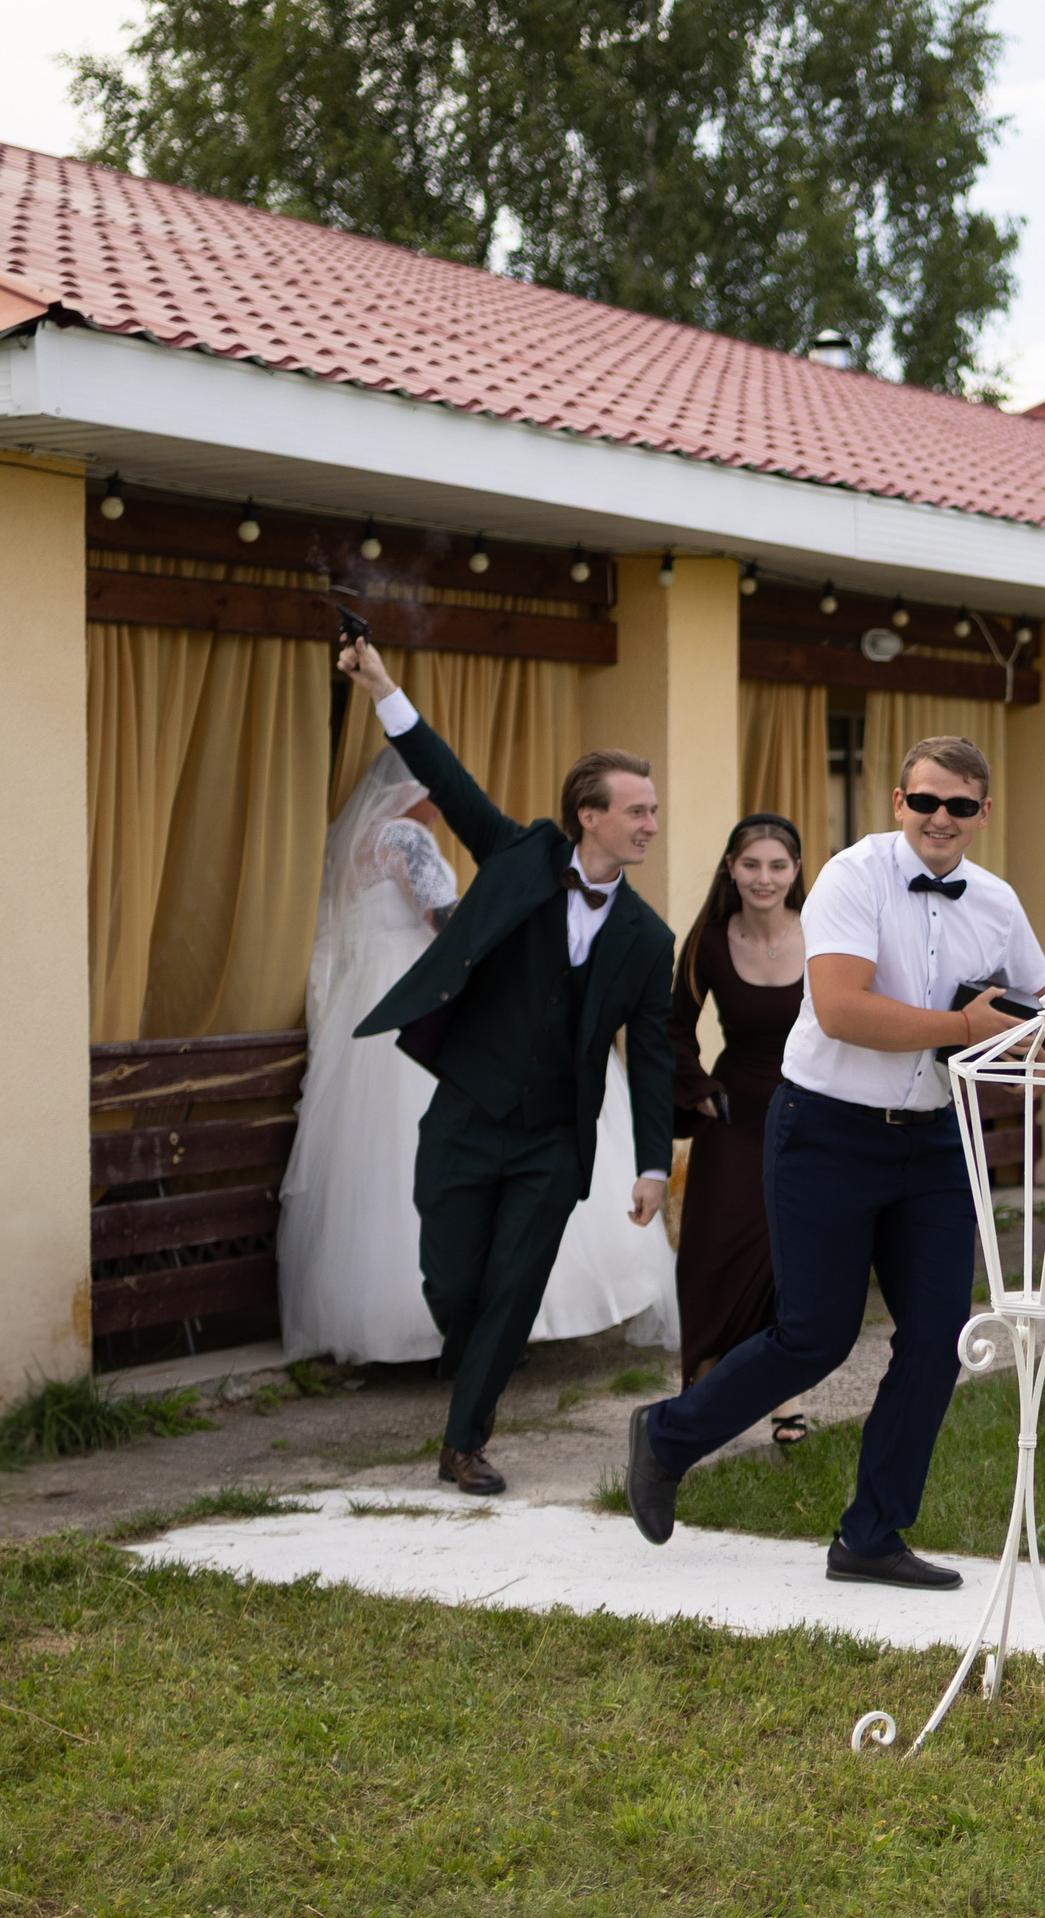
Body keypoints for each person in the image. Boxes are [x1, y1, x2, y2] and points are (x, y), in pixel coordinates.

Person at [625, 737, 1045, 1587]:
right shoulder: (855, 876)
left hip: (931, 1140)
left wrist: (1033, 1040)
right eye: (925, 801)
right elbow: (844, 1008)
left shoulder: (996, 901)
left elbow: (1041, 999)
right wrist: (970, 1027)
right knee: (815, 1335)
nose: (941, 819)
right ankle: (668, 1436)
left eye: (960, 806)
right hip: (825, 1128)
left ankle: (871, 1536)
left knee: (938, 1340)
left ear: (982, 815)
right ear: (898, 801)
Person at [336, 637, 677, 1496]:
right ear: (589, 815)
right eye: (636, 810)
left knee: (516, 1285)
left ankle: (463, 1442)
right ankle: (476, 1345)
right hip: (466, 1112)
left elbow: (655, 1052)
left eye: (653, 810)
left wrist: (649, 1164)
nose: (649, 823)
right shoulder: (519, 852)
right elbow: (446, 781)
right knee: (453, 1279)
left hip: (553, 1141)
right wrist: (383, 688)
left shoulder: (648, 940)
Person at [277, 750, 677, 1370]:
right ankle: (506, 1320)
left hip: (373, 997)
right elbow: (447, 919)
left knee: (379, 1168)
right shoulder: (408, 837)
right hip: (437, 1001)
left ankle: (407, 1324)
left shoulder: (346, 843)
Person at [669, 813, 808, 1437]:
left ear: (796, 872)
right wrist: (699, 1092)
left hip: (811, 1113)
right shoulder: (707, 939)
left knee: (791, 1258)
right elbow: (671, 1027)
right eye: (751, 864)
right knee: (712, 1248)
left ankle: (783, 1399)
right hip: (736, 1113)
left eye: (778, 865)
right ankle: (702, 1382)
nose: (764, 877)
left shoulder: (825, 933)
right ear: (731, 868)